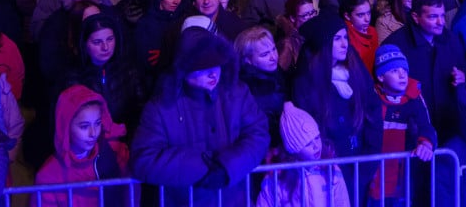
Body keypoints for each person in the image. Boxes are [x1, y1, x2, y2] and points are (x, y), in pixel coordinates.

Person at [131, 27, 269, 207]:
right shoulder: (161, 107)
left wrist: (228, 167)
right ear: (184, 69)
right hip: (184, 201)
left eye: (216, 64)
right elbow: (143, 159)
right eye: (203, 67)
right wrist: (201, 168)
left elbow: (258, 134)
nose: (213, 73)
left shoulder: (237, 93)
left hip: (233, 199)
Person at [292, 12, 382, 203]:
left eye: (345, 38)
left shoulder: (355, 70)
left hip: (360, 162)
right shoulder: (306, 82)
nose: (345, 44)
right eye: (337, 39)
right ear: (323, 43)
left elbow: (372, 111)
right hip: (329, 171)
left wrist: (369, 160)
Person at [382, 0, 466, 142]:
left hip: (448, 125)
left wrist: (464, 76)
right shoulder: (396, 46)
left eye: (442, 16)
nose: (440, 22)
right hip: (412, 131)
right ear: (416, 17)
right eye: (433, 17)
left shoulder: (452, 40)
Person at [32, 85, 131, 207]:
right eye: (84, 126)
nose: (93, 133)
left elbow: (131, 193)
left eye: (98, 123)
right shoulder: (49, 175)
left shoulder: (114, 153)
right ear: (66, 126)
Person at [368, 45, 436, 206]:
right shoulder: (371, 97)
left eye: (404, 71)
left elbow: (426, 126)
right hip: (374, 173)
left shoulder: (414, 96)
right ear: (381, 76)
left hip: (404, 174)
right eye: (394, 71)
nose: (402, 75)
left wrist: (426, 144)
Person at [255, 102, 350, 207]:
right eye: (308, 144)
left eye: (317, 138)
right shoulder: (278, 177)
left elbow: (342, 202)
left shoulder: (331, 169)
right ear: (293, 149)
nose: (316, 146)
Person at [235, 26, 286, 149]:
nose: (273, 57)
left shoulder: (278, 74)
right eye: (264, 54)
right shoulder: (246, 88)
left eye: (274, 49)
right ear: (248, 60)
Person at [342, 0, 378, 74]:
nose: (367, 19)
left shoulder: (372, 31)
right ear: (347, 16)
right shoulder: (345, 36)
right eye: (361, 15)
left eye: (368, 13)